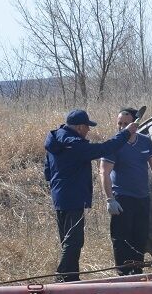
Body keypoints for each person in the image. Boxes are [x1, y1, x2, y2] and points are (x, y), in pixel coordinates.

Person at [44, 109, 138, 282]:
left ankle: (71, 279)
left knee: (67, 239)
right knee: (74, 241)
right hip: (73, 197)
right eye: (87, 127)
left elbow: (47, 172)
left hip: (59, 196)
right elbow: (104, 148)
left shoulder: (54, 139)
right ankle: (62, 276)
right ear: (79, 127)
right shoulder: (74, 144)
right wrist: (126, 133)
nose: (89, 130)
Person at [100, 108, 152, 276]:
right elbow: (104, 172)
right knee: (121, 237)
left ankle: (137, 270)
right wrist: (110, 199)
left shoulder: (145, 141)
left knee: (140, 235)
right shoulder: (114, 145)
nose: (122, 127)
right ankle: (123, 273)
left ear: (135, 124)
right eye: (120, 124)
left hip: (142, 197)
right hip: (122, 198)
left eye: (126, 123)